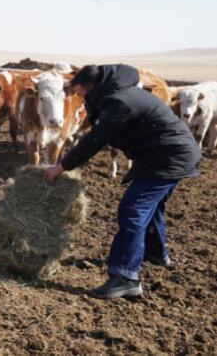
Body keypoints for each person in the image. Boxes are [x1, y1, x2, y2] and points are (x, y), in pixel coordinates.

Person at [44, 64, 201, 299]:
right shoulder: (120, 93)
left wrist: (61, 166)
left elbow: (96, 138)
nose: (79, 98)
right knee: (151, 207)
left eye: (80, 93)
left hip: (167, 156)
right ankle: (156, 254)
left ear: (91, 87)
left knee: (132, 210)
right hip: (168, 153)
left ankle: (125, 277)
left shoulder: (119, 102)